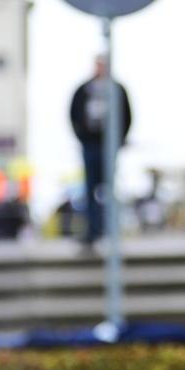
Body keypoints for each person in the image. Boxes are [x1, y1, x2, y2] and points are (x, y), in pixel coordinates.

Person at [69, 55, 131, 244]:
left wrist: (119, 139)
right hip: (90, 145)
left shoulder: (117, 89)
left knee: (110, 188)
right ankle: (92, 230)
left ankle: (111, 228)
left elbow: (127, 115)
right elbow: (74, 114)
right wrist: (82, 137)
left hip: (109, 146)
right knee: (90, 188)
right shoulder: (84, 89)